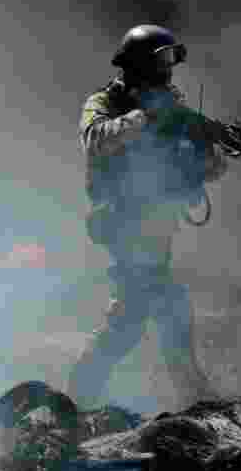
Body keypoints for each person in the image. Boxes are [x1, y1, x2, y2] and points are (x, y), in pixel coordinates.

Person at [68, 24, 229, 410]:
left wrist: (200, 154)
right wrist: (144, 118)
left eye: (171, 61)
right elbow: (93, 138)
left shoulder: (172, 109)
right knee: (148, 310)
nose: (169, 70)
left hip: (158, 222)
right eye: (161, 61)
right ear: (139, 65)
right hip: (123, 222)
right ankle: (79, 398)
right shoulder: (106, 102)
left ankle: (82, 396)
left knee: (147, 311)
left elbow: (213, 168)